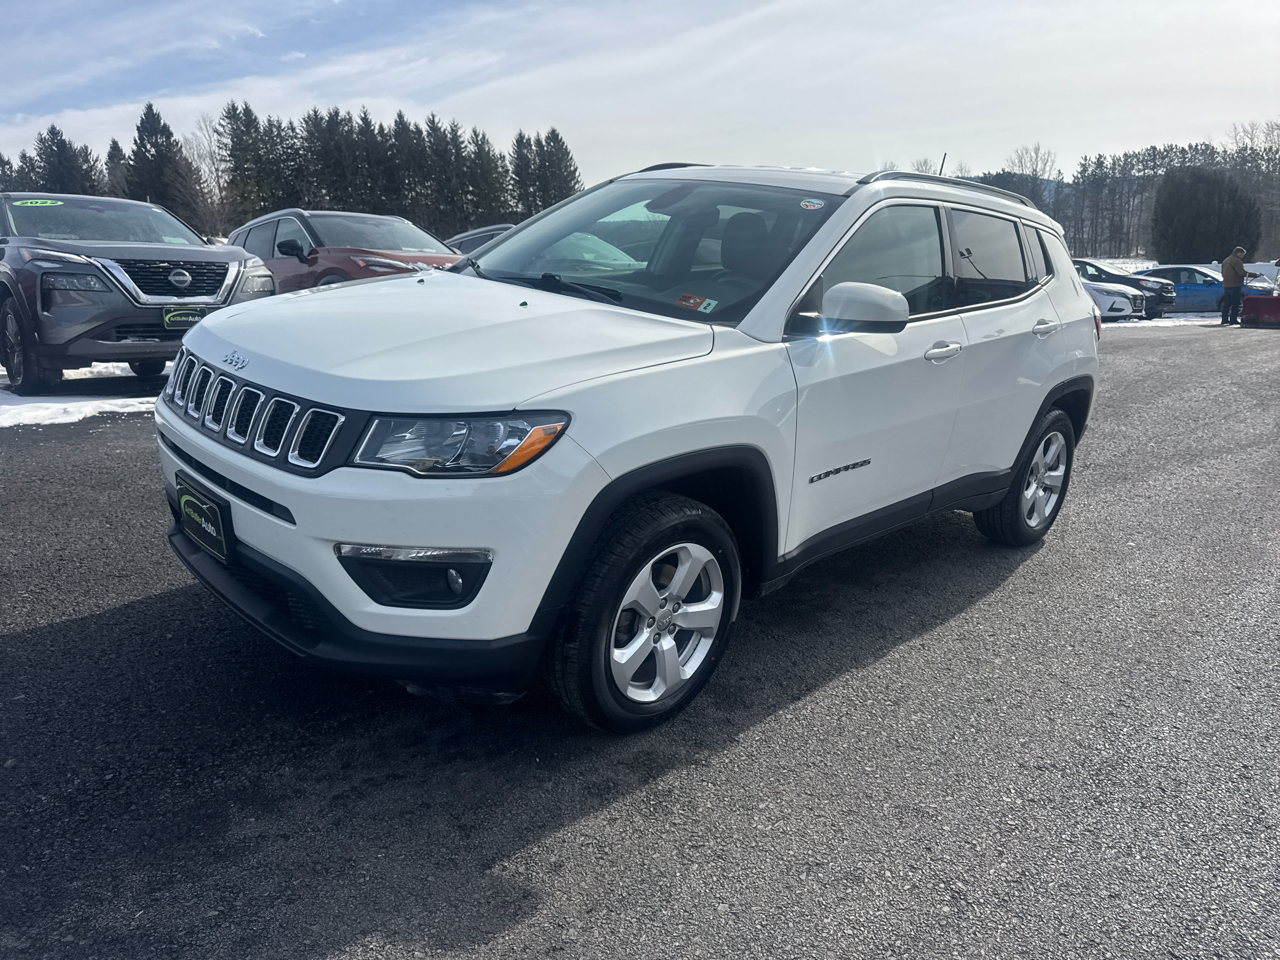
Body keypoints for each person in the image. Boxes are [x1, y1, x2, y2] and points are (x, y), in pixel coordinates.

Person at [1220, 246, 1261, 325]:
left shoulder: (1226, 260)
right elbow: (1241, 272)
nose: (1243, 257)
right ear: (1238, 253)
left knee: (1227, 303)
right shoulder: (1236, 261)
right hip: (1235, 284)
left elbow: (1223, 273)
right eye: (1242, 255)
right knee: (1236, 303)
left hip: (1226, 284)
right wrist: (1255, 275)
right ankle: (1233, 319)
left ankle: (1224, 319)